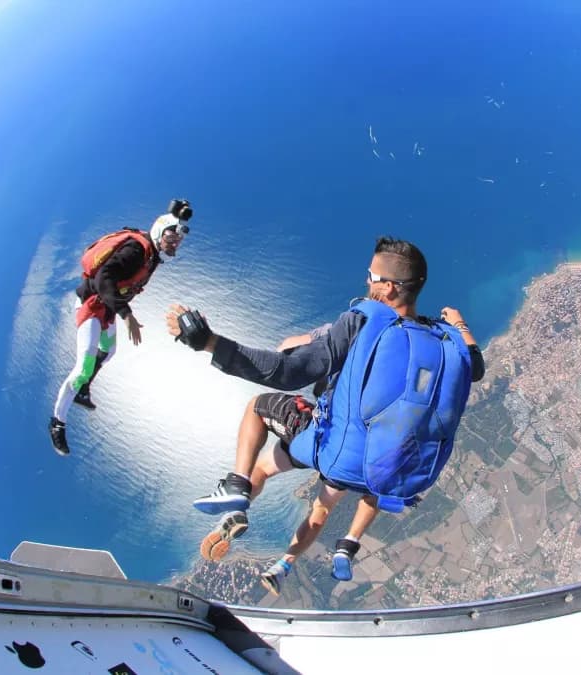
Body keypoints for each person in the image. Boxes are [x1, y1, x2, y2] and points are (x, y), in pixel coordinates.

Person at [166, 237, 485, 594]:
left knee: (258, 409)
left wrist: (209, 341)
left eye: (371, 275)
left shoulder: (363, 320)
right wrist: (459, 325)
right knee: (318, 504)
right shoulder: (445, 339)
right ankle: (323, 551)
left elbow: (288, 372)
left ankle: (237, 490)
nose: (367, 282)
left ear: (389, 287)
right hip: (384, 472)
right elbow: (475, 368)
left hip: (330, 450)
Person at [49, 199, 193, 456]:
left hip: (106, 308)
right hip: (92, 305)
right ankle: (57, 422)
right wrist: (127, 315)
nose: (176, 244)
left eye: (178, 240)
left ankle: (83, 390)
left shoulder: (151, 256)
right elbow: (104, 277)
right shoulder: (136, 251)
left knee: (109, 350)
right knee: (83, 366)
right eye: (173, 238)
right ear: (160, 233)